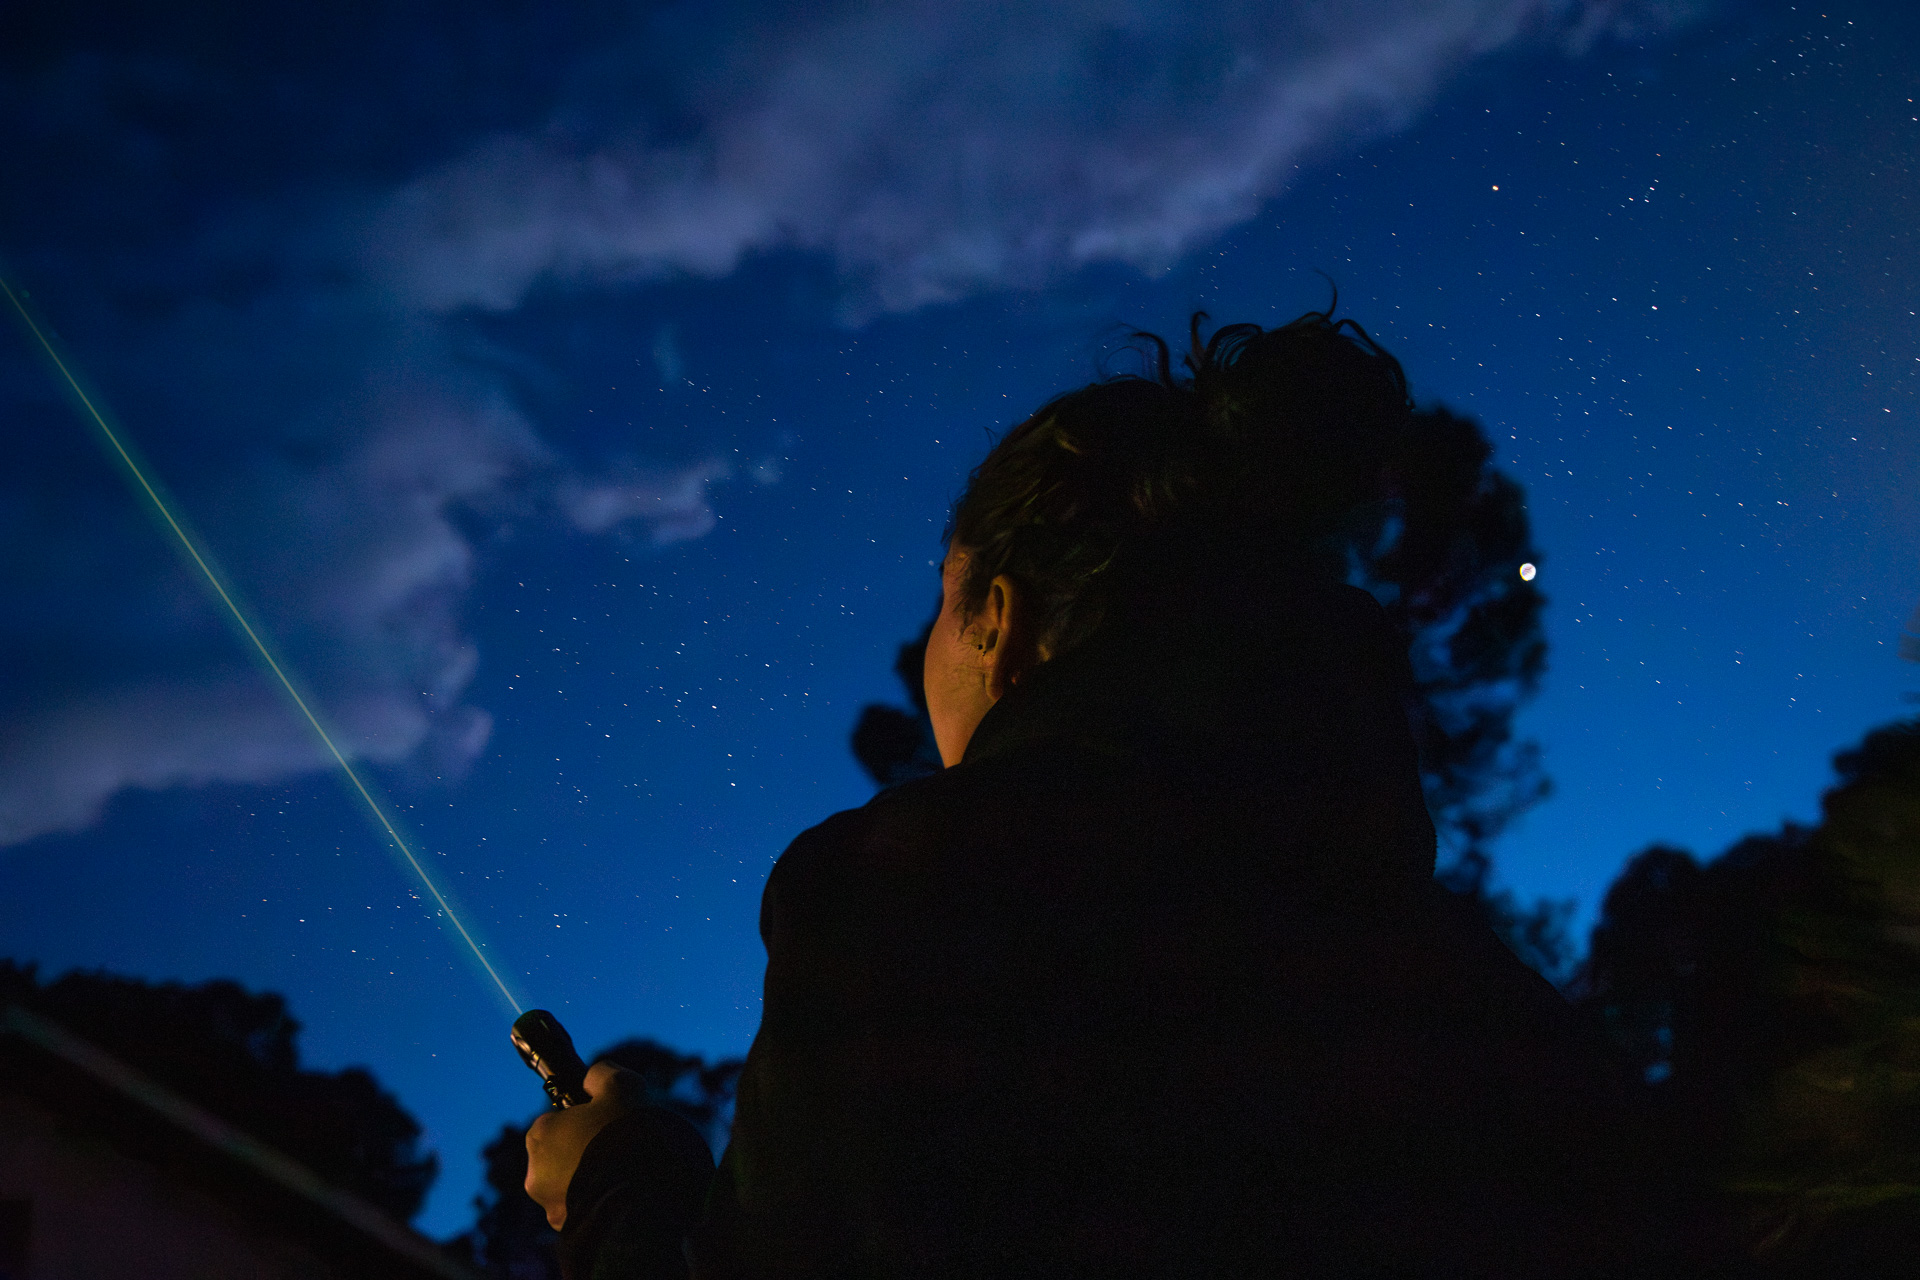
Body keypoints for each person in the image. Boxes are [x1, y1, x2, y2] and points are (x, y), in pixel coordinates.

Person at [525, 310, 1666, 1279]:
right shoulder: (1476, 996)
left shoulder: (917, 897)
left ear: (1002, 621)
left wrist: (622, 1184)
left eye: (941, 600)